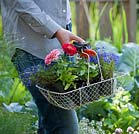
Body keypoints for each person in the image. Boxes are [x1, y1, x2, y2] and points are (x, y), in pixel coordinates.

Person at [1, 0, 84, 133]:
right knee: (64, 125)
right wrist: (56, 31)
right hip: (32, 44)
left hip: (62, 32)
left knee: (51, 121)